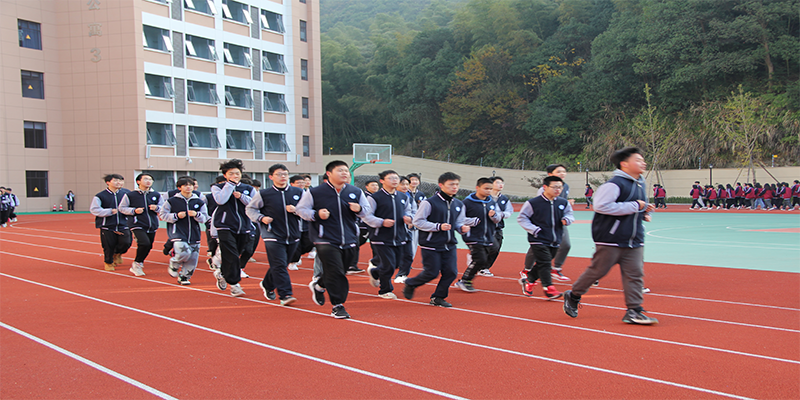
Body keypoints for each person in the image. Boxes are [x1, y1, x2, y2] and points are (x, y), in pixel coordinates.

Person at [563, 147, 658, 325]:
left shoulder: (639, 183)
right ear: (624, 164)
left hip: (634, 238)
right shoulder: (614, 184)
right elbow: (601, 206)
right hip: (610, 237)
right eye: (638, 160)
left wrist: (643, 211)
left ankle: (634, 310)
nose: (643, 162)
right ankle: (574, 295)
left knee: (635, 274)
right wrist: (635, 206)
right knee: (598, 271)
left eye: (642, 159)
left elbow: (634, 207)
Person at [296, 160, 370, 319]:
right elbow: (301, 210)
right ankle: (338, 305)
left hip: (350, 238)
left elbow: (367, 212)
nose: (345, 173)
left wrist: (360, 209)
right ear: (329, 173)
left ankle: (320, 285)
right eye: (340, 170)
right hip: (325, 239)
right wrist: (317, 215)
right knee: (336, 272)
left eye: (346, 171)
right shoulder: (316, 192)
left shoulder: (355, 192)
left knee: (339, 270)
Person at [403, 172, 470, 308]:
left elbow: (458, 222)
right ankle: (411, 283)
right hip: (431, 244)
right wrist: (437, 226)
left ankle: (438, 297)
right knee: (431, 272)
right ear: (441, 185)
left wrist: (461, 228)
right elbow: (418, 221)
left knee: (451, 272)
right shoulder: (429, 202)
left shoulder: (459, 204)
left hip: (449, 244)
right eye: (451, 184)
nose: (454, 187)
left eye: (456, 184)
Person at [246, 164, 303, 306]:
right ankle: (285, 294)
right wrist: (261, 218)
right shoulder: (264, 194)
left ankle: (267, 284)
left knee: (281, 264)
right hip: (272, 234)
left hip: (293, 234)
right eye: (279, 174)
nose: (282, 176)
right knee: (279, 265)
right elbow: (250, 209)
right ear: (271, 177)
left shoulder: (298, 192)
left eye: (285, 174)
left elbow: (307, 210)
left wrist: (296, 210)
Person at [517, 176, 574, 299]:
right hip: (537, 238)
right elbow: (522, 218)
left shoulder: (563, 203)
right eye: (555, 187)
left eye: (560, 187)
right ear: (545, 187)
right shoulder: (533, 203)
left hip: (555, 238)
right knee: (546, 262)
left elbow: (570, 214)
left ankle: (529, 280)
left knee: (542, 263)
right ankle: (549, 288)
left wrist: (567, 220)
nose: (558, 190)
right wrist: (534, 230)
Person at [362, 170, 414, 299]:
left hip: (400, 236)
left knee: (396, 264)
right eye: (391, 178)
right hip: (381, 237)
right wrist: (381, 222)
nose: (395, 180)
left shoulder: (403, 197)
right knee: (389, 265)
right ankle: (385, 290)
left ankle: (375, 272)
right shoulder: (374, 198)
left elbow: (410, 211)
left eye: (396, 178)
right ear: (382, 181)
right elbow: (366, 216)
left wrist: (409, 218)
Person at [210, 159, 254, 298]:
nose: (235, 175)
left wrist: (241, 196)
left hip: (243, 226)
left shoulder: (248, 189)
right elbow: (221, 200)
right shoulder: (217, 187)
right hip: (224, 225)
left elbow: (253, 204)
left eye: (237, 173)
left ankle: (222, 273)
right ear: (225, 175)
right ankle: (235, 285)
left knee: (238, 253)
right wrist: (229, 186)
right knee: (232, 255)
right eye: (232, 173)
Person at [159, 177, 210, 285]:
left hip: (194, 234)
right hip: (177, 232)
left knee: (193, 257)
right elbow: (162, 215)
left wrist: (197, 215)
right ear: (179, 188)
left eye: (190, 185)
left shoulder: (199, 202)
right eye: (185, 185)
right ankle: (174, 263)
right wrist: (176, 216)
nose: (188, 187)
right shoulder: (172, 201)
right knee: (184, 252)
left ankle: (184, 277)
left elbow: (204, 218)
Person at [454, 177, 499, 292]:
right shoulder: (467, 203)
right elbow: (459, 219)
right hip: (472, 235)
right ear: (477, 188)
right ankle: (465, 280)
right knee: (480, 259)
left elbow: (498, 218)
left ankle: (467, 276)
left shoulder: (491, 202)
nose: (488, 191)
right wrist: (472, 221)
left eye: (490, 189)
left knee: (493, 249)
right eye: (486, 188)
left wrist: (494, 216)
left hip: (488, 235)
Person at [119, 173, 163, 277]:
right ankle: (137, 264)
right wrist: (134, 210)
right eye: (146, 179)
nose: (149, 181)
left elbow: (163, 208)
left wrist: (156, 208)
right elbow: (122, 208)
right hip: (136, 223)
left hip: (152, 224)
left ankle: (139, 261)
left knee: (149, 245)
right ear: (138, 181)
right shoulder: (130, 195)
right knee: (144, 243)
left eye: (151, 179)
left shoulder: (156, 195)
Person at [89, 174, 132, 271]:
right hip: (107, 225)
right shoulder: (100, 196)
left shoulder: (127, 194)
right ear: (108, 182)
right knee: (108, 246)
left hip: (124, 224)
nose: (119, 183)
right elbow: (94, 209)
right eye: (116, 180)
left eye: (121, 181)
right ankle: (108, 262)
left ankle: (117, 253)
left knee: (126, 243)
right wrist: (109, 211)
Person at [480, 176, 512, 276]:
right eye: (498, 182)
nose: (500, 185)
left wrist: (501, 215)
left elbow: (509, 211)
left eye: (502, 183)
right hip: (487, 227)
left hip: (499, 227)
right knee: (493, 246)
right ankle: (479, 264)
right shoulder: (485, 198)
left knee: (497, 249)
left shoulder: (504, 199)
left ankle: (485, 268)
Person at [288, 175, 314, 271]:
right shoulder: (288, 193)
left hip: (306, 223)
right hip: (293, 224)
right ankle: (293, 261)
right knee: (296, 243)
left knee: (309, 243)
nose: (301, 184)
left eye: (302, 182)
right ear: (292, 184)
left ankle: (294, 255)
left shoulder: (308, 193)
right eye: (298, 183)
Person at [394, 175, 417, 282]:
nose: (405, 186)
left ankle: (402, 275)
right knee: (392, 259)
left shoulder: (409, 198)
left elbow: (414, 212)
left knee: (408, 254)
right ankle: (376, 269)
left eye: (407, 184)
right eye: (402, 184)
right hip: (390, 231)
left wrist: (411, 219)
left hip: (406, 231)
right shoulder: (383, 197)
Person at [204, 176, 226, 269]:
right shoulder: (209, 197)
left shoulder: (231, 194)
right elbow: (203, 209)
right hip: (212, 221)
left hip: (226, 222)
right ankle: (213, 257)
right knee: (213, 240)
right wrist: (208, 219)